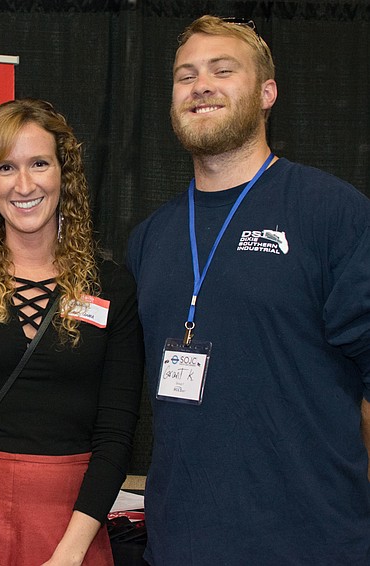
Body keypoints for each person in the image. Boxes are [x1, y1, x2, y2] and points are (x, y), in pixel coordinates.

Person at [126, 15, 370, 565]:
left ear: (267, 93)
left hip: (314, 545)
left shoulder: (332, 214)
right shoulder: (150, 239)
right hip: (178, 544)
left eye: (222, 70)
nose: (200, 85)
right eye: (184, 76)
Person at [0, 99, 144, 566]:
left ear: (64, 174)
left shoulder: (111, 285)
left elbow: (117, 435)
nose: (24, 184)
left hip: (73, 528)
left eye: (39, 163)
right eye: (5, 168)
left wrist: (70, 555)